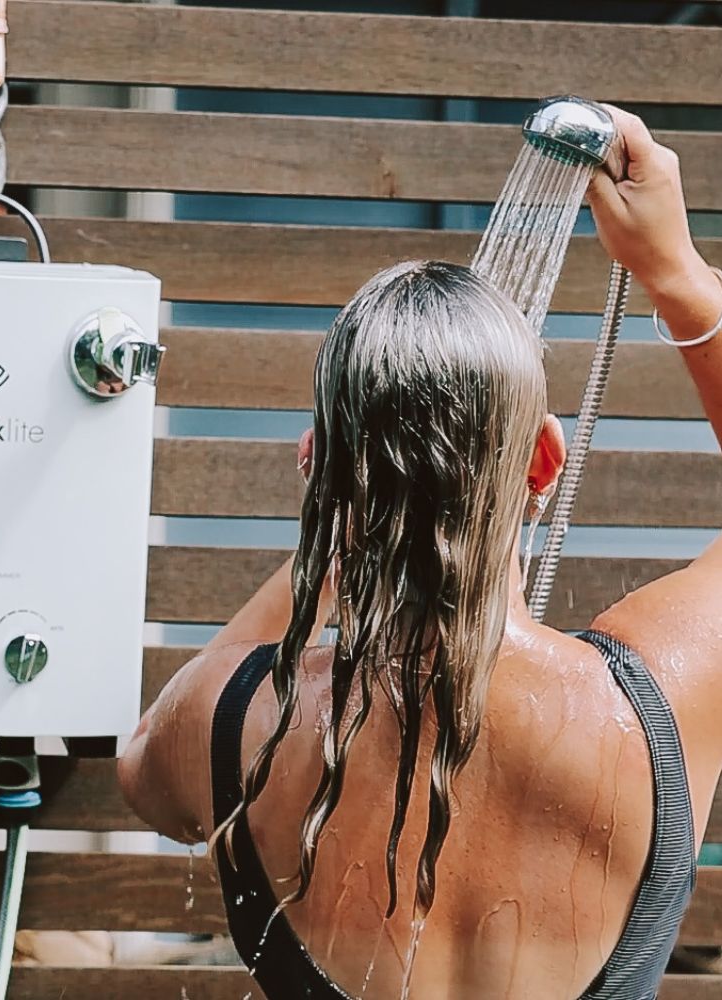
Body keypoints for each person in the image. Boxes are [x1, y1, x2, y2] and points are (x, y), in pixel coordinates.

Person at [118, 106, 722, 999]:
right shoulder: (653, 708)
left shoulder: (233, 721)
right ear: (543, 462)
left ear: (313, 463)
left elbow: (142, 774)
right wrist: (678, 273)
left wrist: (351, 516)